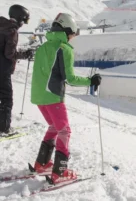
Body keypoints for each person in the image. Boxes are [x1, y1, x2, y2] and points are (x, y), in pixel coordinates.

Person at [31, 13, 102, 185]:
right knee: (64, 131)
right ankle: (59, 172)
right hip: (53, 97)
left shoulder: (43, 47)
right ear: (66, 31)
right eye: (72, 34)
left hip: (39, 96)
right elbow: (70, 78)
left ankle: (41, 164)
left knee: (55, 127)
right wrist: (90, 81)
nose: (72, 38)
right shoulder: (64, 49)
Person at [0, 5, 33, 134]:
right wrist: (24, 54)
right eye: (25, 20)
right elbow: (9, 53)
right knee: (6, 98)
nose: (24, 24)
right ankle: (3, 128)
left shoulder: (2, 26)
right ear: (20, 18)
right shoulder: (11, 30)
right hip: (3, 70)